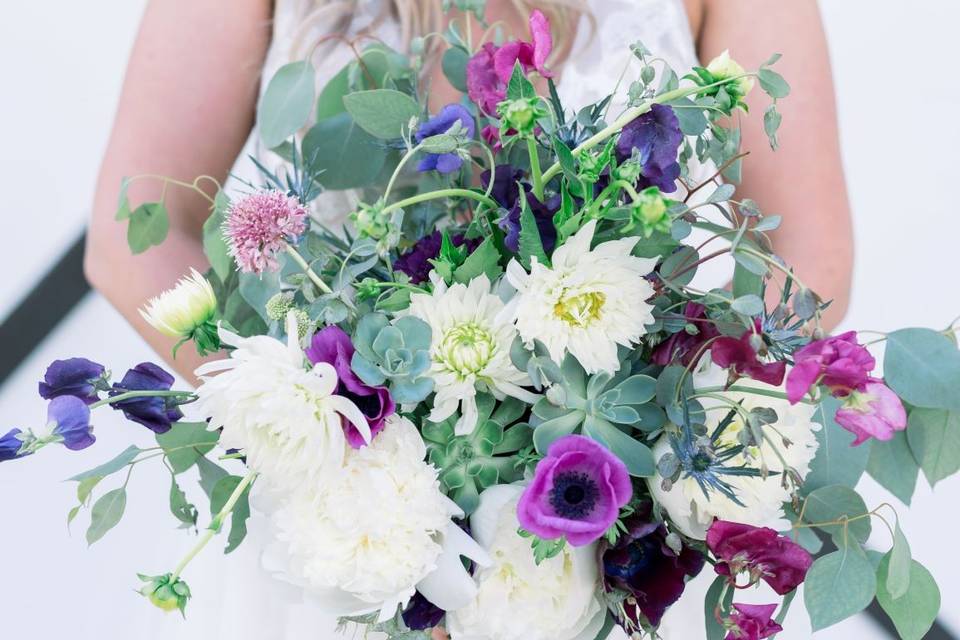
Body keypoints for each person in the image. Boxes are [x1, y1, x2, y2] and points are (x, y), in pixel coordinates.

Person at [83, 1, 850, 637]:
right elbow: (134, 239)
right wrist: (320, 432)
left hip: (598, 540)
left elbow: (808, 263)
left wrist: (646, 471)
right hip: (352, 533)